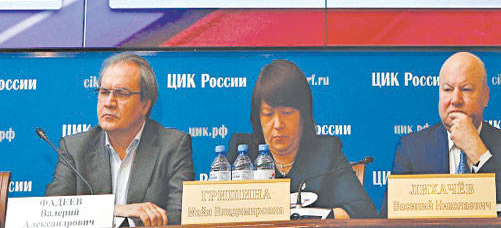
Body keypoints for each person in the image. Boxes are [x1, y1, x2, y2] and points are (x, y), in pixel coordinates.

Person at [45, 53, 194, 226]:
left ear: (145, 105)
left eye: (121, 94)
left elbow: (179, 217)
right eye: (104, 92)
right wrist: (118, 210)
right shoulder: (75, 148)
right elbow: (53, 213)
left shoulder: (173, 146)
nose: (109, 102)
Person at [382, 52, 501, 215]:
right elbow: (390, 217)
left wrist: (478, 153)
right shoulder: (411, 149)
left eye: (466, 89)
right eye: (447, 89)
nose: (455, 100)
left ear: (485, 97)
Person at [227, 60, 376, 218]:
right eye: (268, 114)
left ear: (303, 115)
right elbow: (216, 210)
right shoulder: (241, 152)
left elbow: (363, 211)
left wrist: (309, 218)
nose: (278, 124)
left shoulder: (326, 153)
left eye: (287, 113)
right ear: (258, 117)